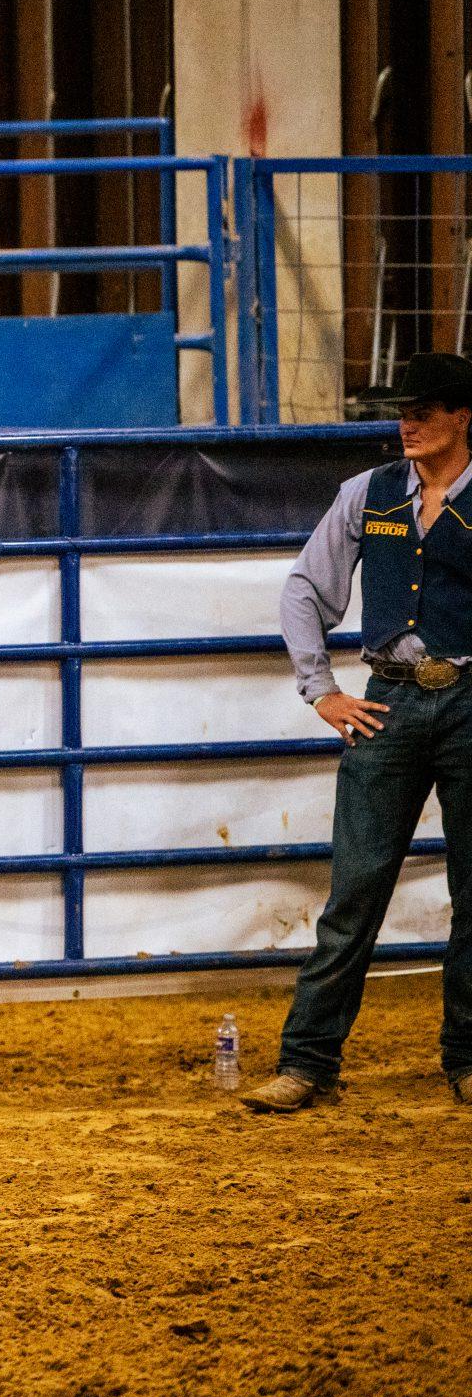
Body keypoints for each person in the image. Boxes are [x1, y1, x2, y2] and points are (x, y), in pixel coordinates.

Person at [251, 350, 472, 1113]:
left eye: (422, 411)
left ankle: (456, 1056)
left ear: (461, 417)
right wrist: (322, 689)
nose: (406, 423)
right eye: (403, 411)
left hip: (459, 695)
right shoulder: (368, 493)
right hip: (391, 698)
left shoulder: (375, 493)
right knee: (356, 889)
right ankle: (309, 1060)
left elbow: (307, 591)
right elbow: (306, 589)